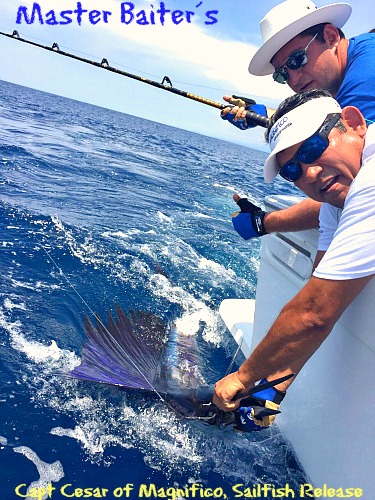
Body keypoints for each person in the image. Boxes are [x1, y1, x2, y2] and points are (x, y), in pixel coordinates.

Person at [213, 89, 375, 430]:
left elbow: (315, 313)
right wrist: (273, 389)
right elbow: (319, 290)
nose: (310, 173)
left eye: (313, 148)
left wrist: (241, 380)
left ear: (355, 124)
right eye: (292, 171)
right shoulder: (336, 201)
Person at [221, 0, 375, 246]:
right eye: (282, 74)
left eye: (296, 60)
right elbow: (329, 129)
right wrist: (264, 115)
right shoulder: (357, 58)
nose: (293, 79)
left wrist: (264, 222)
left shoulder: (366, 75)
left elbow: (352, 189)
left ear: (330, 36)